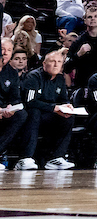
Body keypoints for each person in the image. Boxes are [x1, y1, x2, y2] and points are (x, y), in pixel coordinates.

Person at [15, 48, 73, 170]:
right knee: (34, 112)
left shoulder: (60, 79)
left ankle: (56, 157)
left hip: (49, 115)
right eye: (52, 61)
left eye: (59, 62)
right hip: (33, 115)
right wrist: (54, 108)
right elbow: (30, 102)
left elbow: (63, 99)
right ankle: (26, 157)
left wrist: (67, 106)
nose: (56, 64)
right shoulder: (33, 77)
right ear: (44, 64)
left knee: (69, 117)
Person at [0, 37, 28, 166]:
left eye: (9, 50)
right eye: (3, 49)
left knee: (22, 114)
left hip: (4, 111)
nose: (5, 52)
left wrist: (11, 108)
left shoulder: (12, 73)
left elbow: (15, 98)